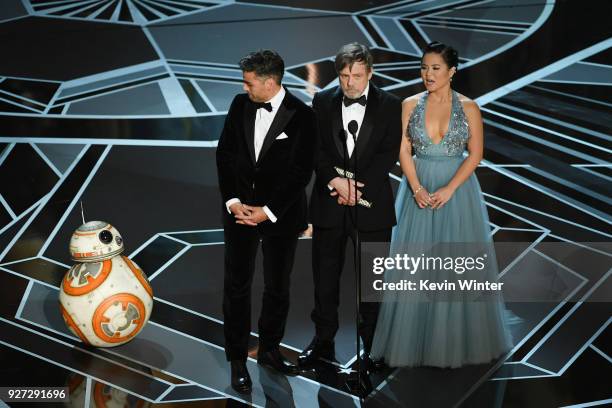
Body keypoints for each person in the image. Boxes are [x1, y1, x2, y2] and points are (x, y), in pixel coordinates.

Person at [370, 42, 512, 368]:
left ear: (452, 71)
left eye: (435, 68)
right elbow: (403, 150)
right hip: (417, 190)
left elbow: (475, 153)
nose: (428, 74)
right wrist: (417, 187)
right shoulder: (409, 104)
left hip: (457, 192)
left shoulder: (470, 107)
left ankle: (454, 343)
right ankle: (412, 340)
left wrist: (449, 188)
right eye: (424, 67)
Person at [216, 49, 316, 393]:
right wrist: (233, 201)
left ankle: (270, 350)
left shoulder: (303, 116)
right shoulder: (239, 104)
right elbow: (225, 154)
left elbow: (301, 171)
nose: (245, 89)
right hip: (240, 213)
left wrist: (269, 210)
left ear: (270, 82)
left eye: (250, 83)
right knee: (237, 285)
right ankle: (237, 359)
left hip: (281, 216)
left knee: (277, 286)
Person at [299, 43, 402, 369]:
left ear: (370, 72)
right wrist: (335, 181)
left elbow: (388, 153)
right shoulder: (322, 100)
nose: (350, 83)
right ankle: (323, 340)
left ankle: (373, 344)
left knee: (373, 282)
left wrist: (356, 188)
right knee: (325, 278)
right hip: (329, 204)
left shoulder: (390, 105)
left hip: (372, 207)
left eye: (356, 75)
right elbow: (313, 149)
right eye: (344, 76)